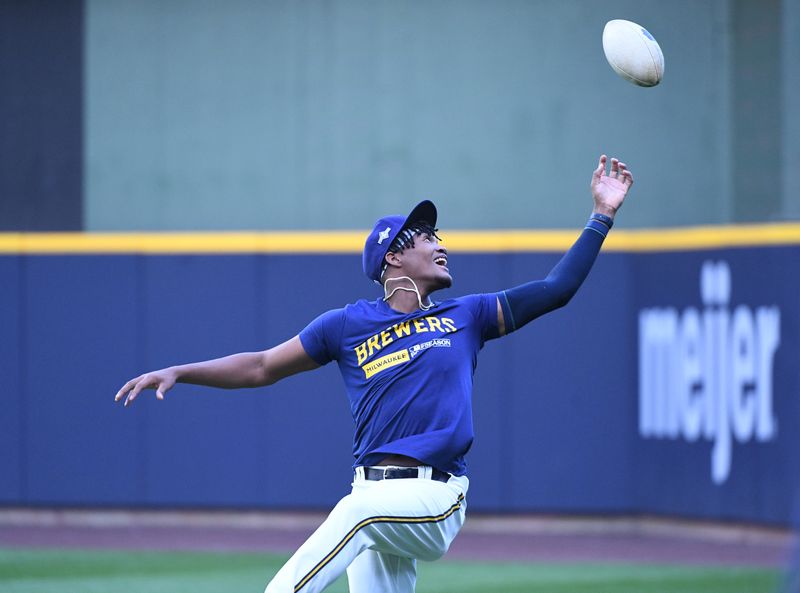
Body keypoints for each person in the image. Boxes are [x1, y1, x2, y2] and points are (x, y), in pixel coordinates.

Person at [115, 155, 634, 593]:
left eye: (438, 233)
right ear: (392, 257)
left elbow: (557, 288)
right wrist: (180, 371)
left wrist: (601, 216)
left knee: (355, 515)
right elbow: (261, 366)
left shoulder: (466, 316)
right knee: (361, 512)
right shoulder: (346, 325)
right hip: (374, 493)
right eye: (424, 235)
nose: (439, 241)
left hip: (434, 495)